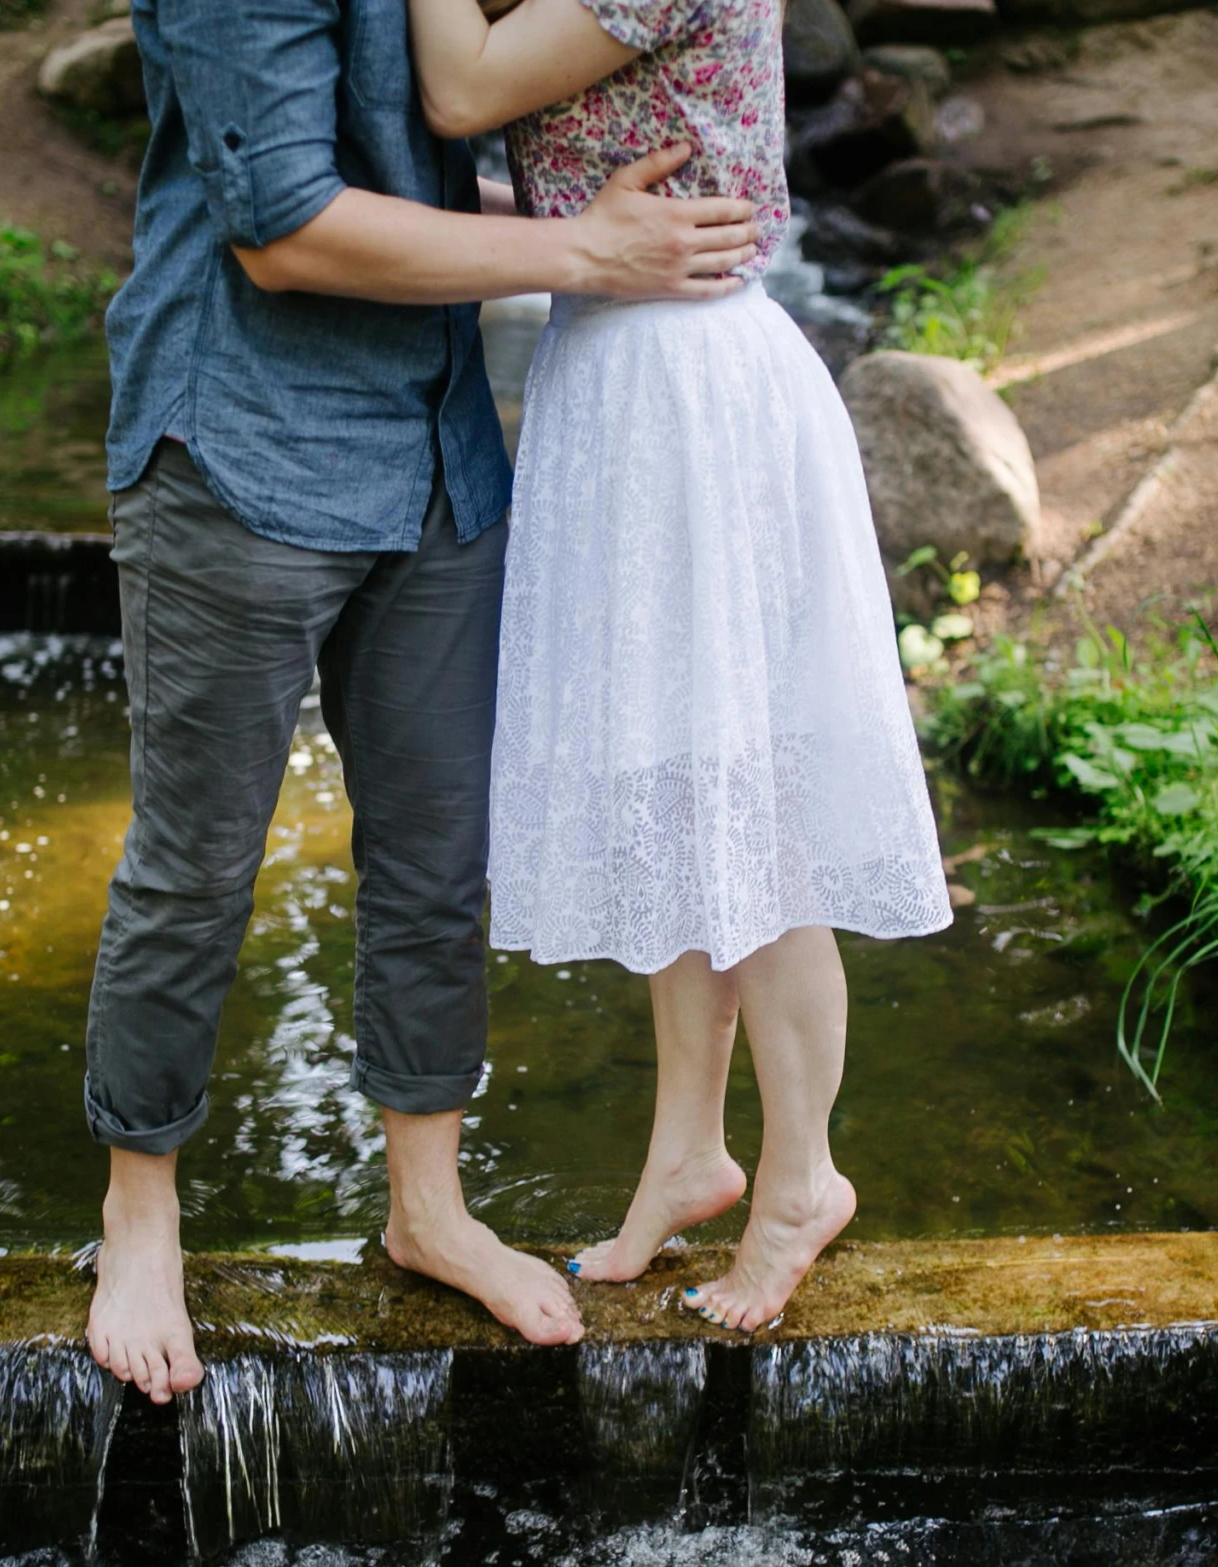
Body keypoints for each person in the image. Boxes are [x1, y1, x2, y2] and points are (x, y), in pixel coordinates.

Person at [83, 0, 762, 1403]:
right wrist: (583, 251)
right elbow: (285, 231)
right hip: (236, 444)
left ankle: (426, 1205)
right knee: (197, 863)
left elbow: (432, 143)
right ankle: (137, 1214)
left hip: (439, 446)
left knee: (438, 859)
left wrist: (623, 203)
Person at [407, 0, 953, 1330]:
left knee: (755, 809)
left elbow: (464, 89)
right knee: (680, 789)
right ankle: (687, 1152)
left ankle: (800, 1176)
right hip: (627, 372)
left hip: (691, 386)